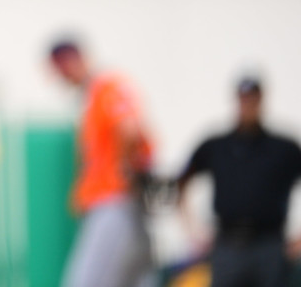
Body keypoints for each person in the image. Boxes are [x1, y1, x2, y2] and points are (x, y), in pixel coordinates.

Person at [48, 38, 156, 287]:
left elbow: (129, 129)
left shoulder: (107, 86)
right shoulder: (92, 94)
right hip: (114, 202)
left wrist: (124, 170)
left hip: (114, 200)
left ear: (69, 62)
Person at [176, 76, 301, 287]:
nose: (248, 105)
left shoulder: (284, 148)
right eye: (244, 99)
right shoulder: (216, 146)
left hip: (269, 245)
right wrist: (192, 231)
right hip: (228, 245)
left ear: (261, 100)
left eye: (252, 99)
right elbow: (181, 181)